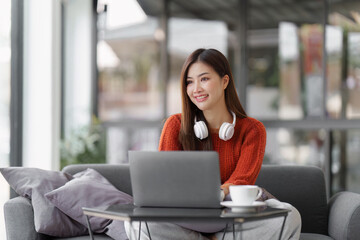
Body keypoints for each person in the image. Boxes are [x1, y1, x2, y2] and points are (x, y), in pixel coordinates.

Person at [125, 48, 301, 240]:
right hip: (185, 219)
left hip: (231, 218)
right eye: (189, 82)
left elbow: (241, 181)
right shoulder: (175, 125)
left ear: (225, 81)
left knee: (290, 215)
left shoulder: (252, 129)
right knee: (135, 223)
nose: (196, 89)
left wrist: (215, 194)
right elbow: (167, 185)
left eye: (204, 79)